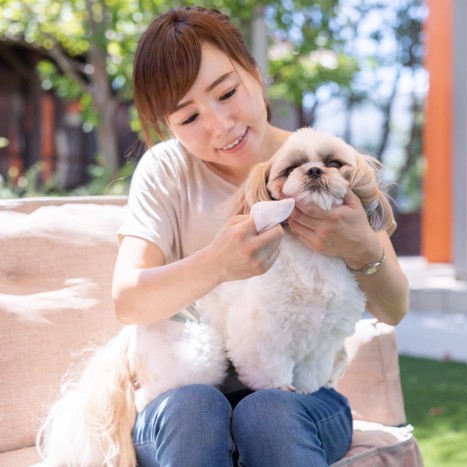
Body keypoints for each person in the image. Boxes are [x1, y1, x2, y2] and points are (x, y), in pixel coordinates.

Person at [112, 6, 409, 466]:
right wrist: (217, 264)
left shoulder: (327, 161)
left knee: (267, 411)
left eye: (227, 92)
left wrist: (361, 248)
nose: (220, 124)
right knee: (196, 407)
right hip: (184, 403)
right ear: (167, 128)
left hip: (303, 400)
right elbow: (128, 301)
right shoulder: (166, 171)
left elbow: (393, 309)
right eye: (188, 118)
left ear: (254, 73)